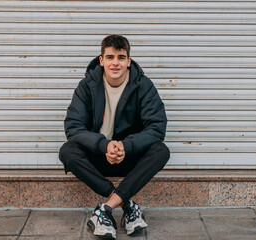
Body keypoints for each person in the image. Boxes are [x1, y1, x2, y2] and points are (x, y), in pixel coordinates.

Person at [59, 34, 170, 239]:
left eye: (121, 57)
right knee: (67, 151)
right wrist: (103, 146)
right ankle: (127, 205)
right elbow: (74, 127)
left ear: (129, 61)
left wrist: (126, 146)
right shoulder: (87, 85)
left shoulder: (143, 85)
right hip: (99, 155)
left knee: (161, 151)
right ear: (101, 60)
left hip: (129, 155)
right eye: (110, 57)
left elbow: (156, 127)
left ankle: (105, 210)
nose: (115, 63)